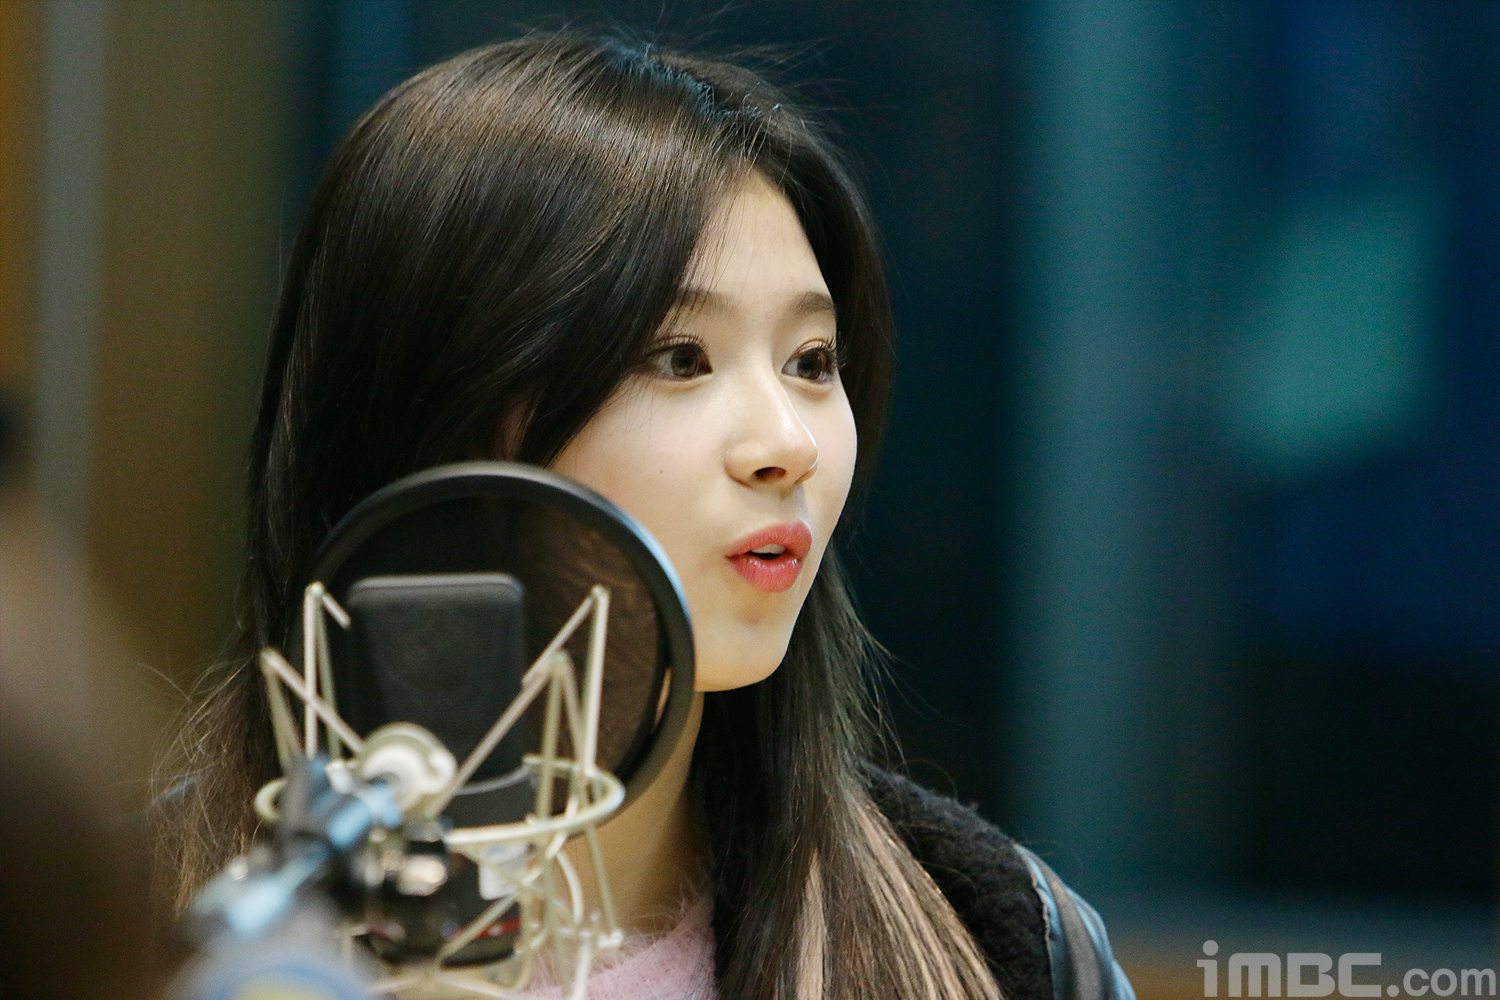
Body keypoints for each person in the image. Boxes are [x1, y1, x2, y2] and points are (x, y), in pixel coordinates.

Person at [156, 32, 1135, 1000]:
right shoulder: (129, 932)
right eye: (679, 358)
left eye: (811, 361)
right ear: (443, 411)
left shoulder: (1006, 943)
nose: (788, 443)